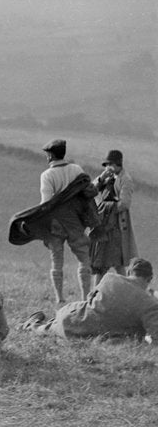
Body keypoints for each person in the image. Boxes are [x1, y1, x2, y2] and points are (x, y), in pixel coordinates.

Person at [21, 257, 158, 342]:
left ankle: (33, 324)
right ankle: (34, 323)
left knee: (48, 328)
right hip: (103, 336)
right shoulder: (150, 304)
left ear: (129, 272)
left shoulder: (110, 278)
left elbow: (90, 299)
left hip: (74, 323)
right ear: (150, 279)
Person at [38, 139, 93, 304]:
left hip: (55, 222)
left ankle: (60, 298)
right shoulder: (77, 170)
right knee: (84, 258)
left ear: (50, 155)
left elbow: (45, 203)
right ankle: (85, 298)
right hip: (75, 220)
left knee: (57, 260)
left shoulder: (47, 175)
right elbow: (86, 191)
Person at [89, 149, 137, 284]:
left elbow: (124, 204)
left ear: (117, 164)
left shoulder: (125, 179)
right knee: (106, 264)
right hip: (103, 224)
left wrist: (105, 207)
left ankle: (98, 296)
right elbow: (90, 190)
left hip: (115, 226)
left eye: (109, 164)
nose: (107, 167)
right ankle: (97, 295)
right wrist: (102, 177)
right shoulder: (108, 177)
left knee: (112, 263)